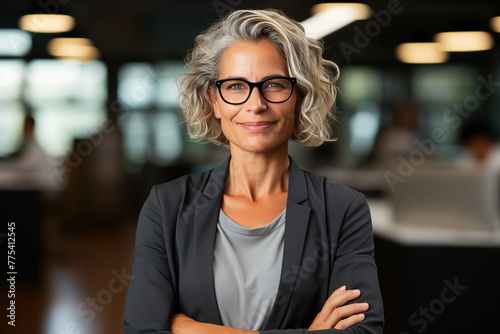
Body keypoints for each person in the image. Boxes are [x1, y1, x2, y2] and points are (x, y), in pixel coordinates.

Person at [122, 9, 383, 334]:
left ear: (299, 95)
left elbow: (362, 330)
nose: (255, 103)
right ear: (214, 100)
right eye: (235, 86)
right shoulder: (167, 207)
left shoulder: (342, 209)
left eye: (273, 85)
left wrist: (186, 327)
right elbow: (143, 328)